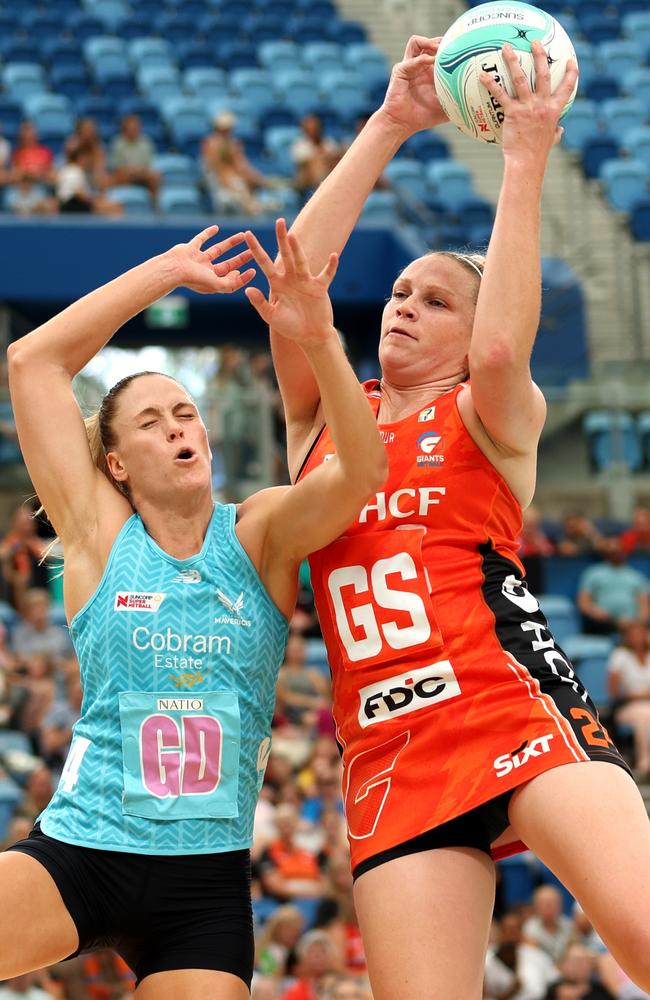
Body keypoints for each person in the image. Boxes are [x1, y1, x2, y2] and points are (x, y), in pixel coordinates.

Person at [267, 33, 650, 1000]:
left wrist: (524, 156)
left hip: (504, 694)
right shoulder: (323, 419)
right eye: (398, 291)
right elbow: (295, 288)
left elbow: (500, 351)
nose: (402, 306)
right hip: (389, 747)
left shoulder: (489, 411)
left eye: (435, 300)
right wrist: (390, 121)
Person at [3, 221, 386, 999]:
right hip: (83, 851)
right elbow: (31, 359)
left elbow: (362, 474)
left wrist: (321, 341)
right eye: (152, 421)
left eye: (185, 411)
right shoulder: (98, 533)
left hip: (203, 889)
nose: (180, 426)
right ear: (115, 463)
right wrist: (168, 272)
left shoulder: (258, 533)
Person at [577, 539, 650, 635]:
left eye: (619, 551)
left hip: (632, 624)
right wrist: (595, 611)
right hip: (603, 623)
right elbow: (584, 603)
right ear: (606, 553)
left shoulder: (637, 577)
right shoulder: (593, 573)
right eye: (612, 551)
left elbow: (644, 607)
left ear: (625, 552)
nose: (616, 554)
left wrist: (636, 623)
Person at [608, 621, 650, 775]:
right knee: (643, 715)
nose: (637, 638)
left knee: (646, 713)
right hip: (626, 708)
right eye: (633, 635)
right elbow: (614, 691)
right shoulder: (619, 656)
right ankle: (644, 763)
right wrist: (639, 695)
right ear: (627, 637)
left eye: (640, 634)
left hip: (646, 705)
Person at [109, 114, 160, 203]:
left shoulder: (146, 142)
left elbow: (149, 165)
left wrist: (139, 171)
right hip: (125, 174)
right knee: (121, 174)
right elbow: (116, 166)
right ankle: (125, 203)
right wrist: (131, 171)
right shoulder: (117, 143)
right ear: (125, 129)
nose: (133, 130)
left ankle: (154, 205)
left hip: (142, 173)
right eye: (130, 128)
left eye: (135, 128)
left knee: (155, 176)